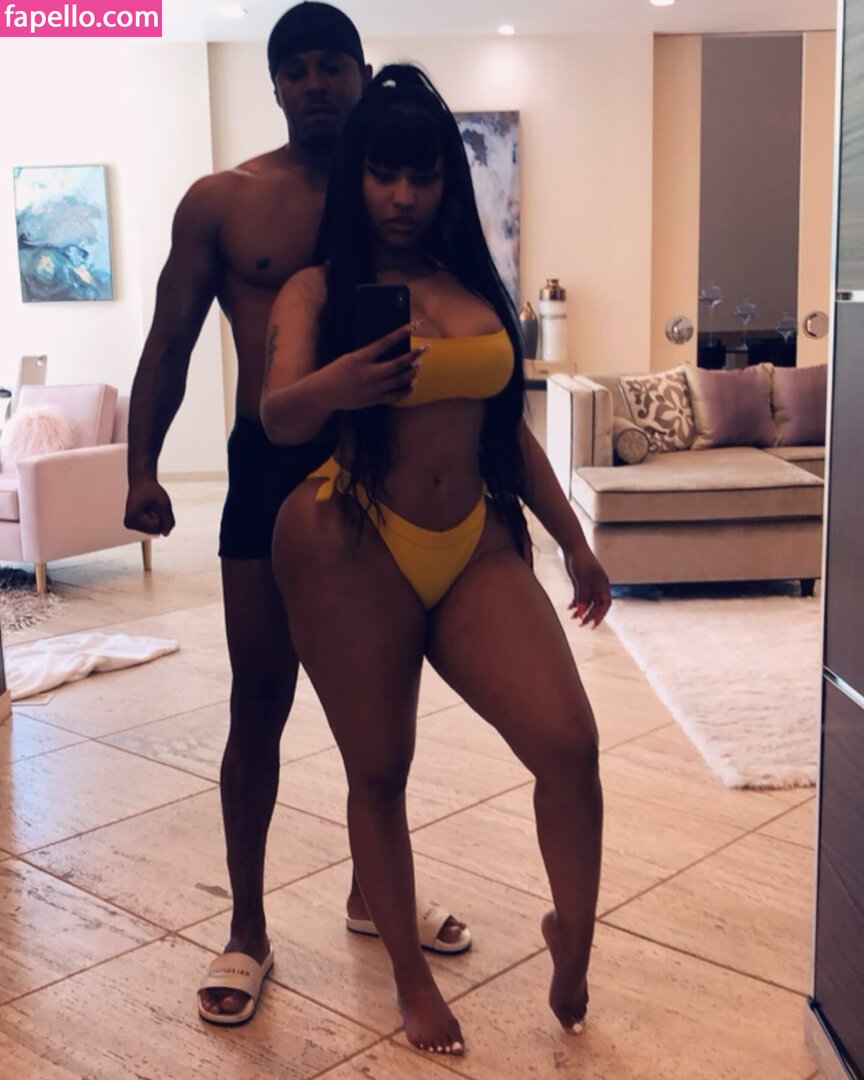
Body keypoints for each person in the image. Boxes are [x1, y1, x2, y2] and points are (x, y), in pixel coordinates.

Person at [124, 4, 470, 1028]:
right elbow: (170, 339)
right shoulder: (226, 202)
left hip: (384, 462)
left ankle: (375, 894)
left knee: (381, 705)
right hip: (271, 465)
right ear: (274, 83)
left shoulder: (398, 197)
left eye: (332, 66)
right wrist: (142, 466)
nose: (316, 85)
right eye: (296, 70)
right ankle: (247, 926)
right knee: (259, 698)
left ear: (362, 72)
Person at [262, 64, 610, 1056]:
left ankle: (573, 937)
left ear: (447, 182)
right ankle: (410, 983)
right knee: (379, 770)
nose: (405, 196)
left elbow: (509, 431)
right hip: (353, 541)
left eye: (422, 176)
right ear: (358, 179)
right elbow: (277, 413)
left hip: (473, 543)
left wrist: (572, 539)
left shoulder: (473, 284)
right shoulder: (320, 290)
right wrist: (344, 380)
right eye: (385, 174)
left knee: (569, 744)